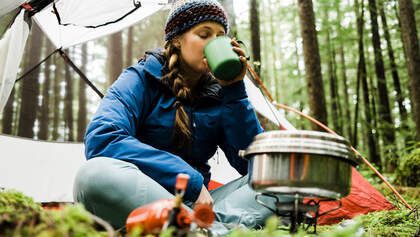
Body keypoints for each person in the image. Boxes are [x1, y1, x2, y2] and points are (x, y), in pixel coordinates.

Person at [73, 0, 291, 235]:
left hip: (205, 208)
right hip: (142, 198)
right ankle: (208, 229)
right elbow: (102, 138)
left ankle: (199, 230)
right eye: (204, 34)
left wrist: (235, 90)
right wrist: (189, 181)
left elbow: (252, 165)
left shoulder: (220, 96)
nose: (214, 43)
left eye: (220, 36)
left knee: (282, 179)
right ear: (177, 39)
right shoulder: (140, 79)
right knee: (92, 176)